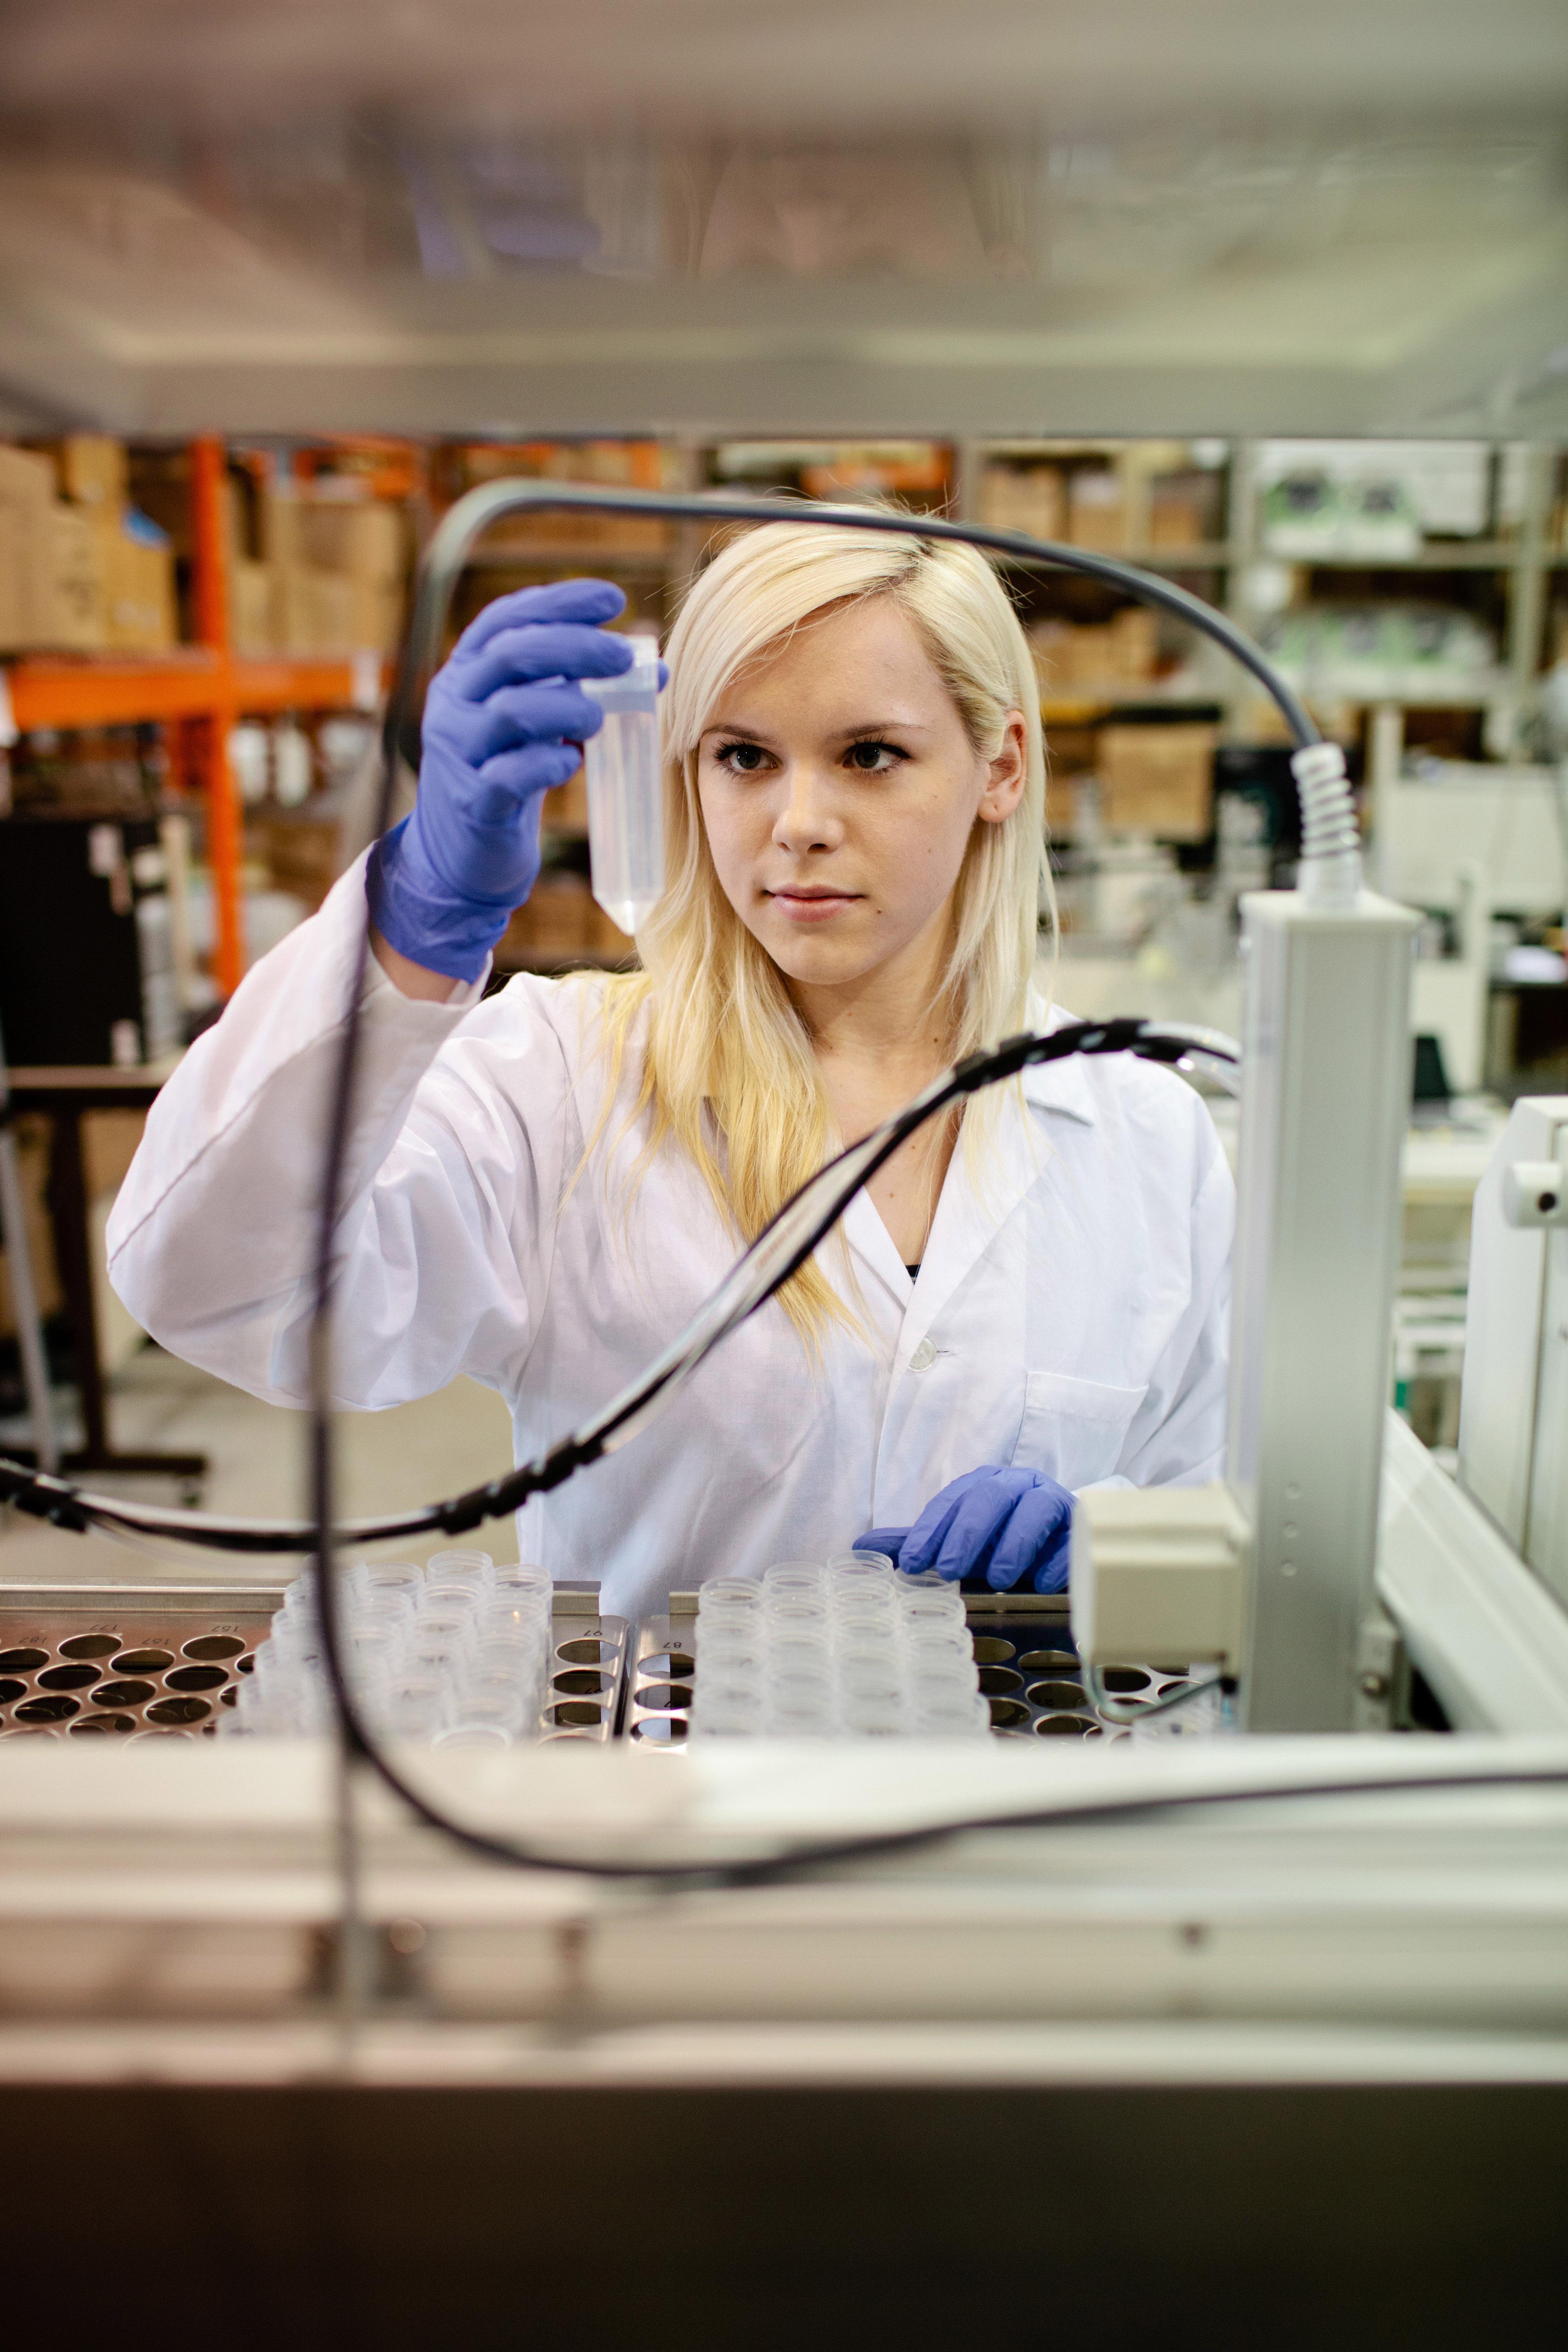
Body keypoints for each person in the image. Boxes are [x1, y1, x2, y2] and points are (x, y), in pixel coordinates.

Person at [108, 517, 1232, 1624]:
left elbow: (1237, 1517)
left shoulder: (1143, 1132)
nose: (797, 823)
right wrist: (416, 919)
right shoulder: (566, 1080)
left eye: (869, 755)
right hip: (666, 1783)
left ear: (1001, 765)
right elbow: (215, 1284)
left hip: (1026, 1781)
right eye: (745, 756)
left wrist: (1118, 1548)